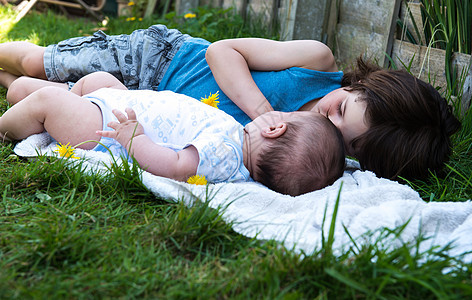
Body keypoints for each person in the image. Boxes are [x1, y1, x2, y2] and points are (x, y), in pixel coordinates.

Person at [0, 24, 461, 180]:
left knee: (31, 95)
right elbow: (222, 51)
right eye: (341, 107)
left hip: (128, 106)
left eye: (344, 138)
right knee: (39, 62)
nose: (328, 119)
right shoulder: (316, 62)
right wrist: (262, 109)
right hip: (160, 62)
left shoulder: (299, 155)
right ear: (362, 84)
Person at [0, 72, 346, 196]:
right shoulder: (234, 140)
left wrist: (132, 138)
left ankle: (10, 125)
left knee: (44, 100)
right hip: (116, 104)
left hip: (106, 130)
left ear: (274, 127)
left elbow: (175, 165)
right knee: (39, 92)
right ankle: (24, 100)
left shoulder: (224, 155)